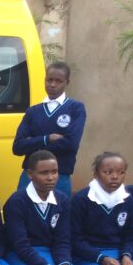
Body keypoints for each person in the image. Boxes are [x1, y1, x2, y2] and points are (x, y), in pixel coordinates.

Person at [12, 62, 85, 198]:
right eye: (49, 80)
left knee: (58, 216)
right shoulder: (33, 111)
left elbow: (71, 144)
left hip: (60, 176)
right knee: (25, 213)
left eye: (58, 81)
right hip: (31, 177)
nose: (52, 84)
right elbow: (17, 147)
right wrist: (47, 138)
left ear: (67, 82)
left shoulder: (75, 108)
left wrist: (34, 144)